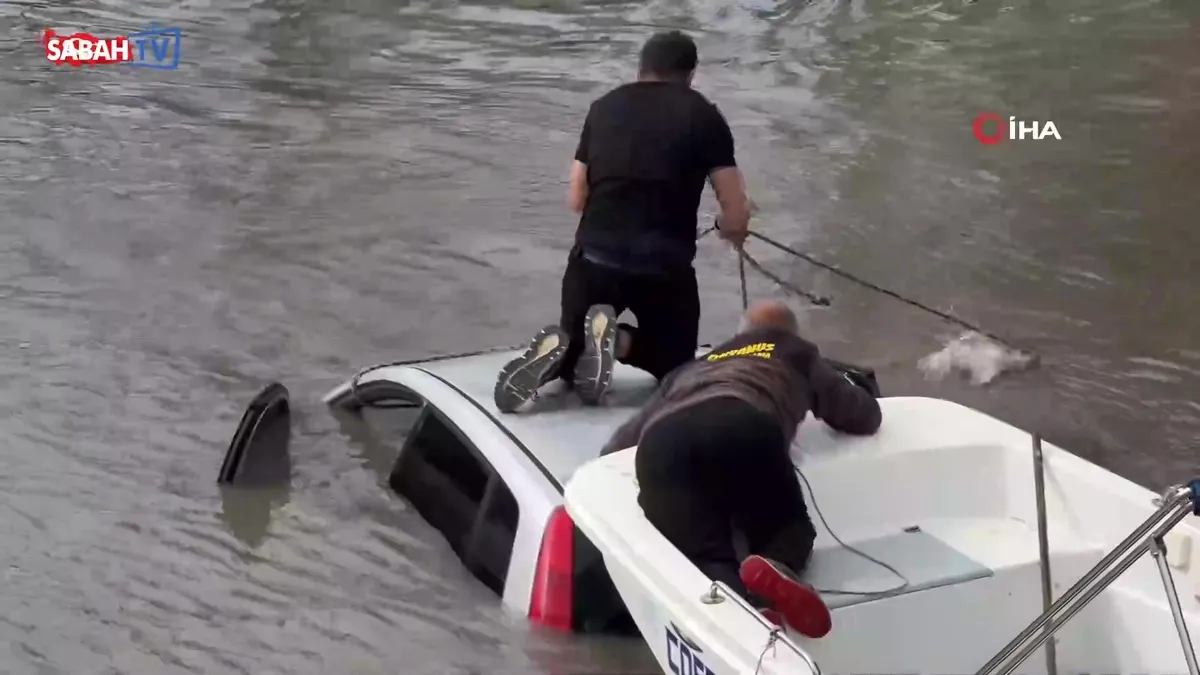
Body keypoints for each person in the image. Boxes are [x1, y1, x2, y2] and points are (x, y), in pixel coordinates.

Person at [493, 29, 754, 414]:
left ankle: (565, 355)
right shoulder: (704, 115)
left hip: (594, 258)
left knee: (575, 349)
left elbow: (576, 198)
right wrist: (733, 227)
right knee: (677, 365)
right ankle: (619, 343)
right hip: (663, 267)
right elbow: (734, 211)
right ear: (691, 72)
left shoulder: (603, 107)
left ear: (642, 67)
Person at [598, 300, 883, 637]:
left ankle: (742, 612)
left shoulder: (693, 366)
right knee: (789, 530)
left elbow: (618, 445)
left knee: (706, 555)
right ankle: (772, 572)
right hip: (743, 421)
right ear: (790, 332)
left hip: (664, 440)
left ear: (739, 334)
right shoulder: (796, 351)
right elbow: (862, 417)